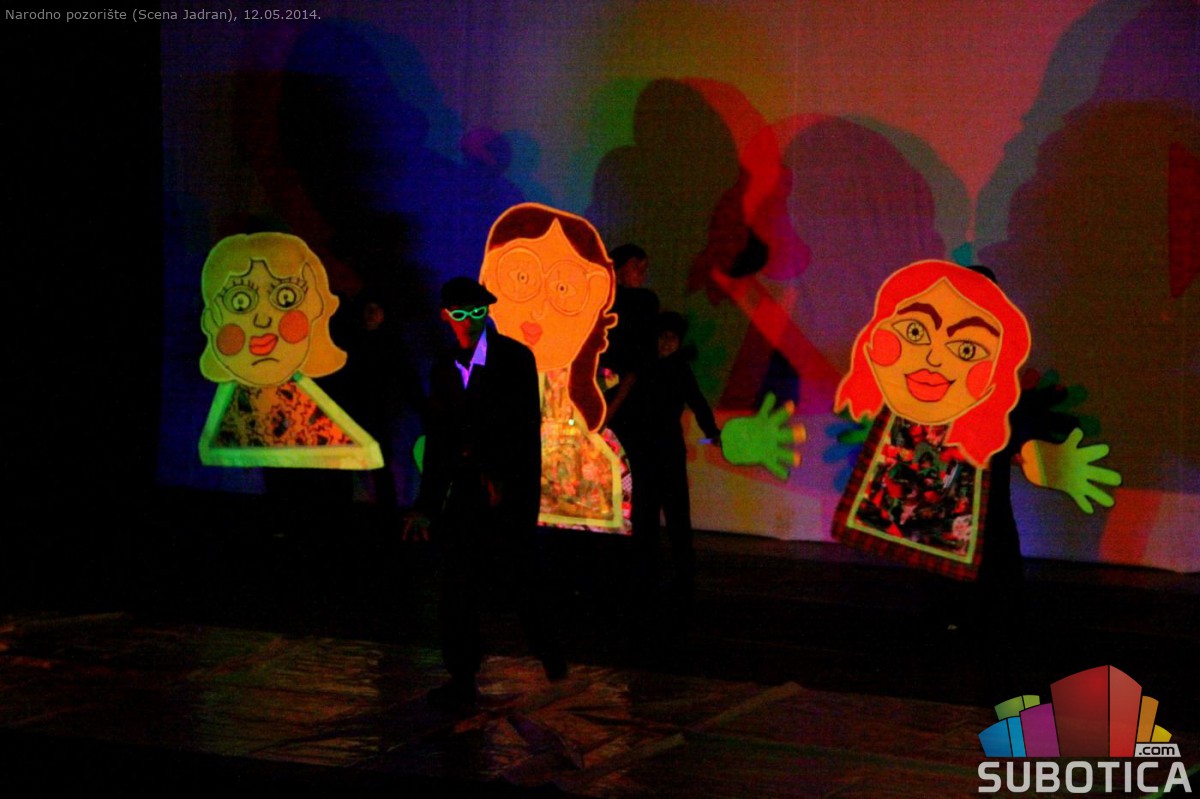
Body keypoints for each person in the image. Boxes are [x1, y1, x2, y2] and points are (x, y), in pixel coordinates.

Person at [404, 276, 564, 709]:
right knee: (457, 584)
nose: (470, 321)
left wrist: (501, 476)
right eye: (461, 314)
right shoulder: (444, 367)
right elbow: (439, 439)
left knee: (519, 576)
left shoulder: (514, 358)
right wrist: (426, 505)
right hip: (466, 490)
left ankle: (550, 652)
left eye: (477, 312)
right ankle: (461, 676)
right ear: (446, 316)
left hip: (508, 491)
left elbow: (522, 425)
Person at [479, 203, 629, 532]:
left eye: (564, 289)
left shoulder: (601, 458)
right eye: (521, 278)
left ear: (596, 299)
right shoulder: (481, 380)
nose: (540, 309)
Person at [633, 311, 722, 600]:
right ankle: (646, 570)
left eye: (673, 337)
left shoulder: (679, 370)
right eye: (663, 336)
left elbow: (697, 401)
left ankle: (683, 572)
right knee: (645, 512)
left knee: (675, 512)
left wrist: (712, 431)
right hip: (645, 449)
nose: (667, 342)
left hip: (668, 448)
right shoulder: (642, 367)